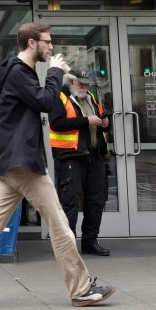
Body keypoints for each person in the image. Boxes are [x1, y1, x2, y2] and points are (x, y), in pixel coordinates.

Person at [0, 23, 116, 310]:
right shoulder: (19, 72)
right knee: (60, 226)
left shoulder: (18, 72)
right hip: (24, 163)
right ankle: (82, 289)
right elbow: (45, 101)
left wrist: (54, 74)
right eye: (47, 42)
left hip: (13, 162)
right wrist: (55, 71)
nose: (51, 47)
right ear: (32, 43)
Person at [48, 69, 111, 256]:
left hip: (94, 155)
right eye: (80, 83)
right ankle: (67, 246)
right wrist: (85, 121)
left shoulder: (90, 97)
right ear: (70, 82)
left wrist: (106, 122)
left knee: (96, 200)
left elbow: (101, 116)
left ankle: (90, 242)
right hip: (71, 156)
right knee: (70, 201)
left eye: (86, 83)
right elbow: (56, 123)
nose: (84, 86)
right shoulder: (60, 97)